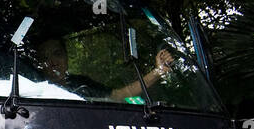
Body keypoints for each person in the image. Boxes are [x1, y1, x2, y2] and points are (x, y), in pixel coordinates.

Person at [37, 37, 175, 102]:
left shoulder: (81, 83)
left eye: (57, 54)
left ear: (66, 57)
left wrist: (158, 71)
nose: (53, 62)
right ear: (39, 64)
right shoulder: (34, 90)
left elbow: (118, 96)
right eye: (45, 57)